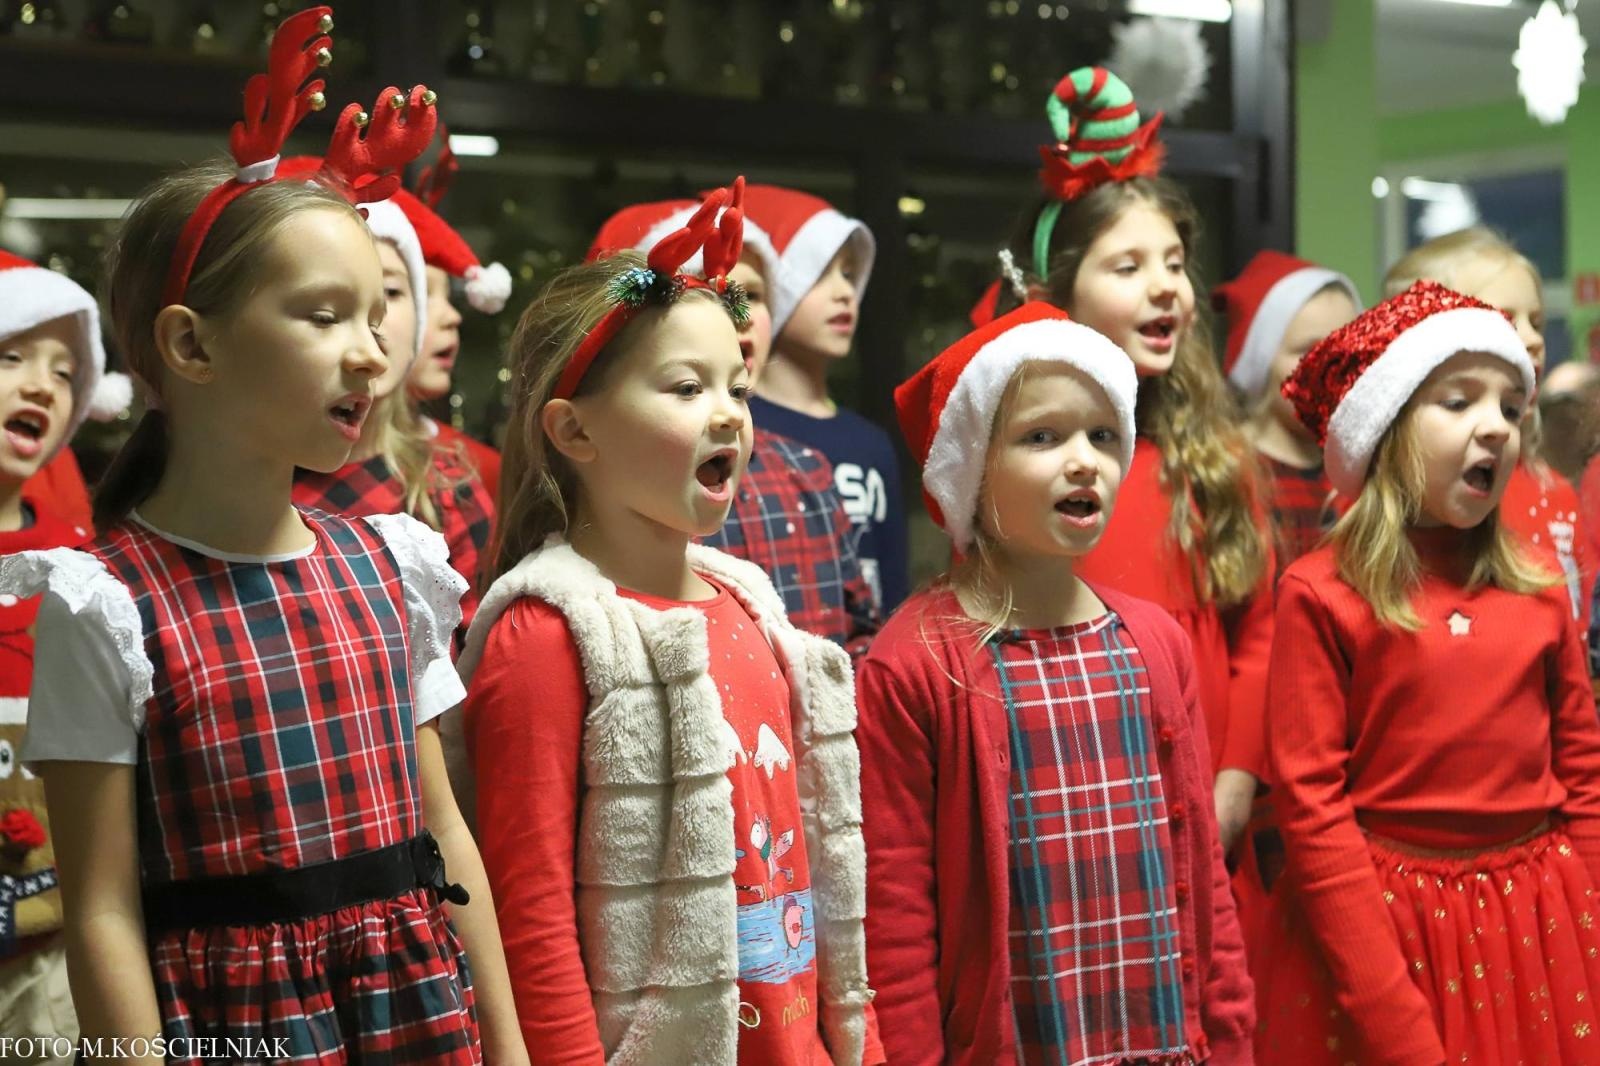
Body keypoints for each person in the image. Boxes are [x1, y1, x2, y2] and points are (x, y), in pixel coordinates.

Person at [0, 17, 524, 1062]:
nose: (371, 353)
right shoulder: (105, 605)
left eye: (377, 314)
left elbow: (444, 835)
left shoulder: (393, 566)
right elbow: (102, 909)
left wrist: (509, 1050)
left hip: (420, 1018)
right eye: (323, 315)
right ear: (190, 342)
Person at [461, 184, 882, 1064]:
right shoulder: (545, 635)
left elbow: (823, 874)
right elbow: (529, 916)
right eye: (688, 387)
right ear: (574, 431)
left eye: (737, 383)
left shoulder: (752, 609)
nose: (730, 410)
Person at [858, 302, 1254, 1065]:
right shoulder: (914, 664)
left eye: (1103, 436)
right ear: (970, 468)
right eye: (1042, 437)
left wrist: (1232, 1039)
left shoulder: (1155, 644)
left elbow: (1206, 881)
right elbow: (897, 926)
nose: (1084, 461)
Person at [1257, 280, 1600, 1064]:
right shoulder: (1322, 593)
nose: (1496, 427)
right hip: (1386, 936)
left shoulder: (1539, 584)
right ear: (1385, 427)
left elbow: (1583, 775)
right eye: (1458, 402)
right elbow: (1312, 810)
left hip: (1536, 929)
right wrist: (1386, 1006)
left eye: (1512, 409)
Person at [0, 250, 123, 1062]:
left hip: (46, 959)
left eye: (66, 371)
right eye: (11, 356)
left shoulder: (80, 583)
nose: (44, 383)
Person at [744, 184, 909, 614]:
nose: (845, 293)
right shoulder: (741, 430)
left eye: (850, 274)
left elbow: (895, 587)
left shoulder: (870, 443)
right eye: (820, 272)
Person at [1214, 251, 1361, 576]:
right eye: (1308, 351)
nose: (1331, 367)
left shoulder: (1359, 473)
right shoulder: (1227, 470)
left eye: (1346, 350)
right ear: (1262, 363)